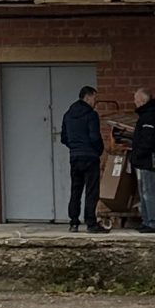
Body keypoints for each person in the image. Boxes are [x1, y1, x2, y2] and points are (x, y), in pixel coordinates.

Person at [120, 87, 155, 231]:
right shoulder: (148, 114)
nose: (134, 102)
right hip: (144, 159)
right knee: (144, 191)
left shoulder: (150, 116)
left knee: (149, 191)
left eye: (136, 99)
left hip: (148, 160)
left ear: (142, 100)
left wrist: (138, 154)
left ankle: (153, 222)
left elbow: (148, 140)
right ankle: (147, 221)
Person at [59, 85, 104, 233]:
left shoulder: (68, 114)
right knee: (91, 190)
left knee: (76, 189)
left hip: (75, 156)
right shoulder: (91, 115)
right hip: (90, 156)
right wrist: (99, 150)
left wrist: (74, 146)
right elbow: (94, 137)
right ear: (88, 97)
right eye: (94, 98)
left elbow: (64, 137)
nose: (95, 101)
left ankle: (73, 222)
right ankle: (91, 223)